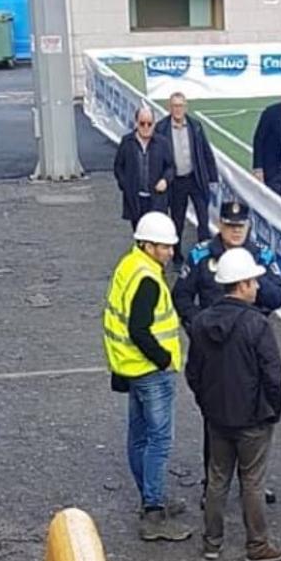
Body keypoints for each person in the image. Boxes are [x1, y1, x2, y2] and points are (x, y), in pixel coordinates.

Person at [185, 248, 281, 561]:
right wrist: (272, 410)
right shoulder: (256, 324)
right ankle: (257, 545)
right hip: (253, 419)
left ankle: (212, 542)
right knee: (252, 482)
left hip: (217, 416)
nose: (258, 286)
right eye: (253, 281)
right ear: (242, 284)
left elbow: (194, 372)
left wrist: (207, 403)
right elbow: (273, 374)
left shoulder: (202, 322)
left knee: (217, 479)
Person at [103, 212, 191, 542]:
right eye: (165, 247)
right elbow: (139, 328)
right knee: (159, 441)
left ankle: (149, 497)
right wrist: (164, 358)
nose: (171, 252)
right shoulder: (149, 280)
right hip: (151, 372)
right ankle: (153, 510)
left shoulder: (130, 266)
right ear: (148, 245)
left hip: (129, 368)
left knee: (138, 437)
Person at [172, 200, 281, 331]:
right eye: (231, 225)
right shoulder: (201, 254)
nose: (237, 231)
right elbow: (180, 295)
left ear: (248, 226)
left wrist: (254, 277)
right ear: (220, 224)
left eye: (241, 226)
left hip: (249, 332)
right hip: (210, 332)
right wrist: (200, 322)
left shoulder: (262, 255)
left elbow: (279, 297)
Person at [154, 92, 219, 265]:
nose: (178, 109)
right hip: (176, 182)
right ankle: (176, 254)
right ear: (170, 107)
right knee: (178, 220)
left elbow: (206, 151)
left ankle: (204, 254)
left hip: (196, 179)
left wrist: (212, 178)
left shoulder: (195, 126)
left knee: (203, 219)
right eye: (175, 106)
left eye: (180, 106)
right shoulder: (161, 128)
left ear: (185, 107)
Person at [114, 106, 175, 228]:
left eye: (149, 124)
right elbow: (118, 167)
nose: (146, 127)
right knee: (139, 235)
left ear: (154, 124)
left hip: (156, 199)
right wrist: (125, 185)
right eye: (142, 123)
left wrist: (165, 180)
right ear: (136, 123)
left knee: (156, 234)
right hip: (135, 200)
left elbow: (170, 166)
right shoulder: (127, 142)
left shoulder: (162, 143)